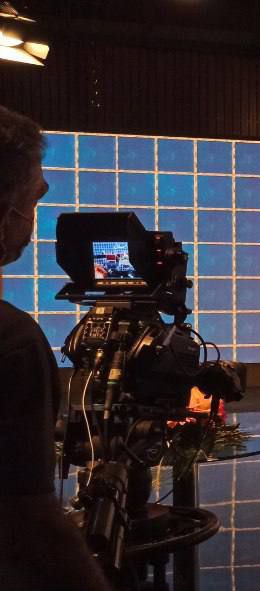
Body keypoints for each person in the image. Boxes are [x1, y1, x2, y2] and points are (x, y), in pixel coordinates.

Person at [0, 105, 111, 589]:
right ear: (4, 208)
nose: (31, 219)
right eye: (33, 199)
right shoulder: (12, 342)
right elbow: (30, 528)